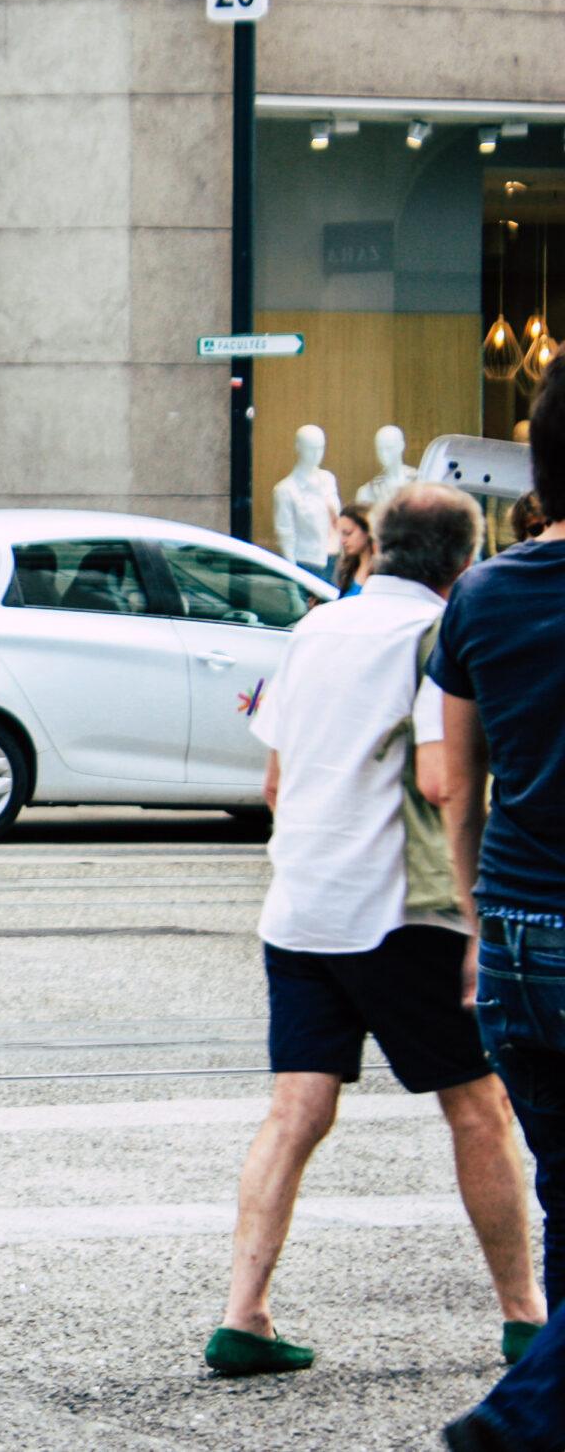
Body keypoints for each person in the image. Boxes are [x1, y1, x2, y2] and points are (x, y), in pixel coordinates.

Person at [206, 483, 542, 1379]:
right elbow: (444, 779)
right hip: (400, 912)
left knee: (297, 1109)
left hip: (301, 906)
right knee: (479, 1105)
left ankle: (243, 1314)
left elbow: (275, 778)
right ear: (463, 562)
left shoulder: (318, 626)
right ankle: (525, 1316)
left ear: (376, 546)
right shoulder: (433, 637)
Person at [438, 375, 565, 1452]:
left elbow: (455, 783)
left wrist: (481, 930)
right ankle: (515, 1424)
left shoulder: (480, 595)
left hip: (517, 937)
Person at [333, 502, 374, 596]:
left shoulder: (384, 571)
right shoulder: (346, 569)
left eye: (348, 533)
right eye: (342, 534)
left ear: (367, 530)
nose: (343, 541)